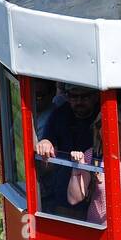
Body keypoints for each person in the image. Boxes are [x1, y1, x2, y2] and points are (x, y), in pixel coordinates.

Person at [35, 84, 98, 216]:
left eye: (84, 96)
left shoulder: (103, 115)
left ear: (95, 96)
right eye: (74, 97)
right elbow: (48, 140)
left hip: (98, 189)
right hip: (65, 187)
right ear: (67, 97)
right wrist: (45, 143)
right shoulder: (60, 115)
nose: (79, 101)